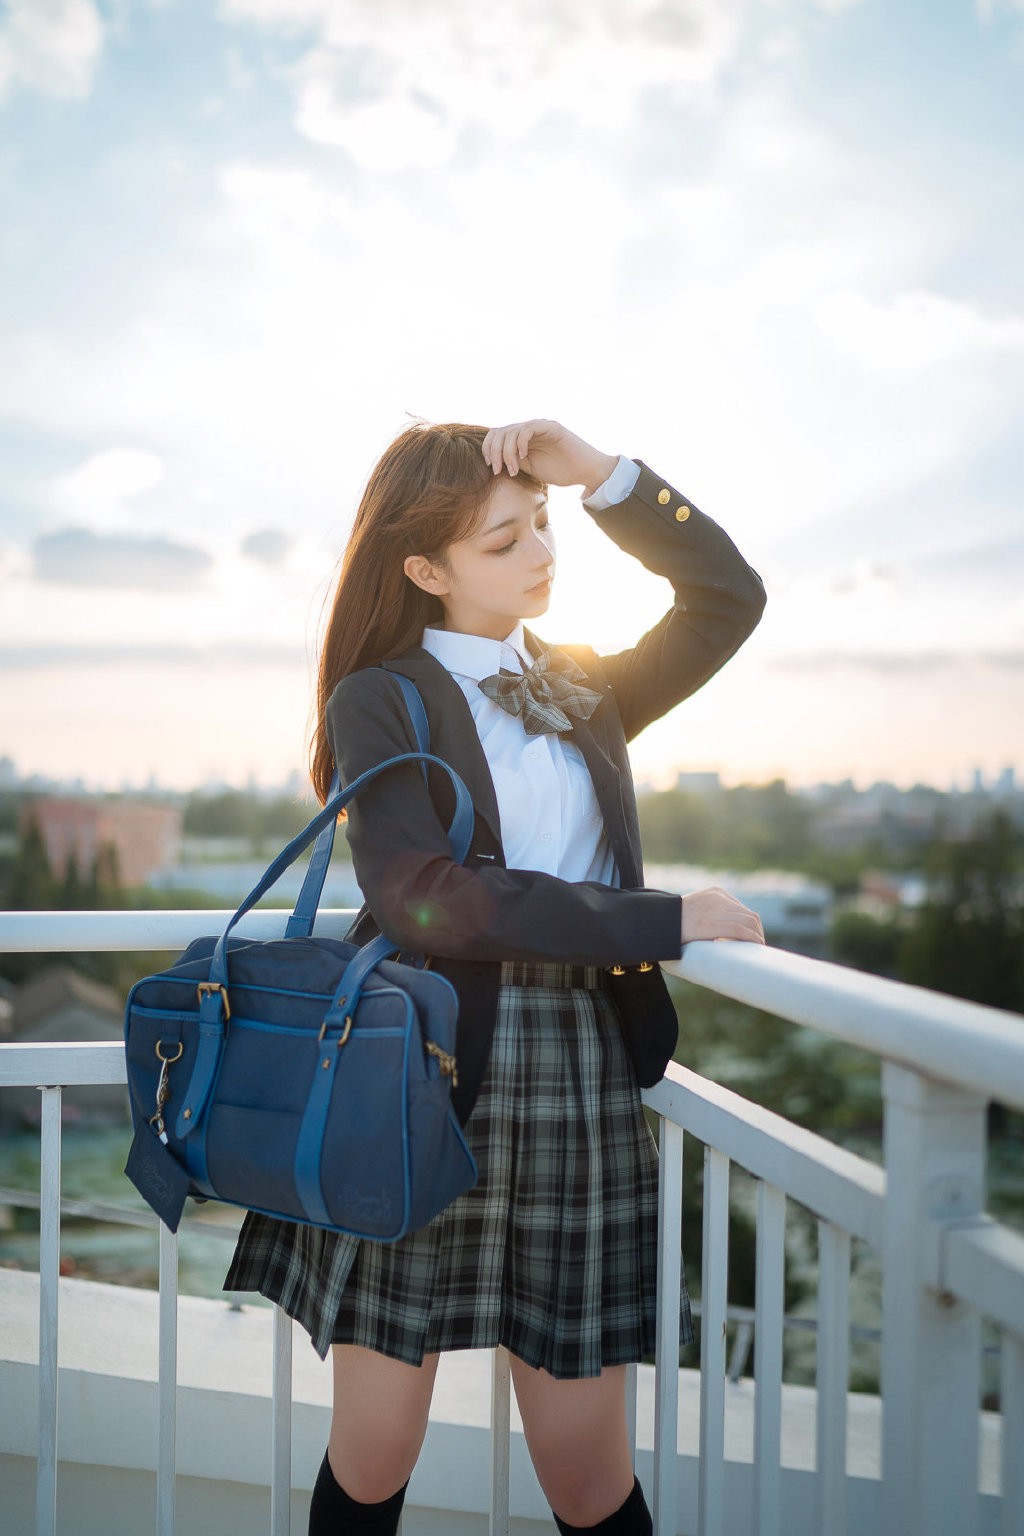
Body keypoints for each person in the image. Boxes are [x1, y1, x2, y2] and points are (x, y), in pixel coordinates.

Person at [225, 417, 768, 1536]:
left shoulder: (582, 688)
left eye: (542, 527)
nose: (540, 553)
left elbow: (727, 597)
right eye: (504, 539)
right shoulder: (382, 697)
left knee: (584, 1470)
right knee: (375, 1452)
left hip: (578, 1074)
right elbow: (429, 895)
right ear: (425, 569)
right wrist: (660, 917)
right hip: (420, 1068)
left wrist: (602, 475)